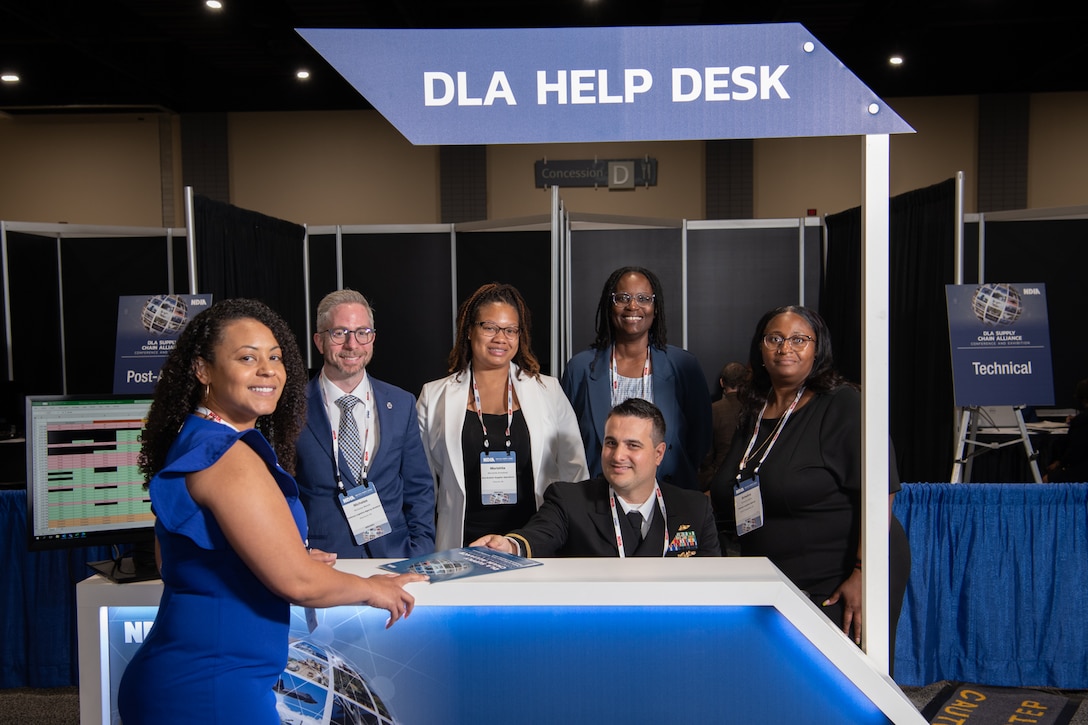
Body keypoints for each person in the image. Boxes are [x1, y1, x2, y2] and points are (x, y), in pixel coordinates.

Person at [117, 298, 425, 725]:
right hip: (212, 687)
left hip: (200, 676)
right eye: (247, 358)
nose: (268, 370)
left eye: (275, 357)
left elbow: (174, 558)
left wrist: (276, 553)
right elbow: (298, 583)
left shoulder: (200, 437)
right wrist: (374, 588)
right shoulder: (228, 456)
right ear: (203, 370)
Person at [709, 305, 909, 648]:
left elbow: (880, 493)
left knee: (844, 690)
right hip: (777, 581)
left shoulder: (844, 404)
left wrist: (864, 574)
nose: (785, 348)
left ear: (818, 349)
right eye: (775, 338)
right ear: (760, 348)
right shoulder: (754, 410)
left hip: (838, 578)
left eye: (799, 339)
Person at [417, 282, 589, 549]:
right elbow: (423, 484)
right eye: (490, 327)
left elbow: (575, 472)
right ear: (469, 331)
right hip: (462, 545)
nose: (501, 338)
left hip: (534, 543)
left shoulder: (548, 390)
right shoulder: (433, 396)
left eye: (510, 330)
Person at [472, 398, 720, 557]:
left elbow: (715, 584)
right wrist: (510, 546)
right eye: (611, 443)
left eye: (632, 445)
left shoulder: (695, 508)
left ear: (658, 453)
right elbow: (539, 536)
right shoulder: (569, 500)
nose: (618, 455)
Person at [295, 290, 436, 558]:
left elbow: (419, 488)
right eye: (340, 333)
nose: (352, 344)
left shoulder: (401, 403)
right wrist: (298, 551)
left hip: (395, 558)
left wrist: (421, 549)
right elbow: (282, 492)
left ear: (372, 339)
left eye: (362, 332)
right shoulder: (293, 407)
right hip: (325, 562)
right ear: (319, 341)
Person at [562, 266, 712, 490]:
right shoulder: (580, 368)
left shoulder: (684, 365)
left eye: (643, 298)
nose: (633, 305)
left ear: (656, 307)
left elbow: (700, 439)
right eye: (622, 297)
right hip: (598, 499)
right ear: (609, 305)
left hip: (668, 496)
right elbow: (566, 442)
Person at [697, 361, 748, 490]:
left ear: (722, 382)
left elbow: (706, 453)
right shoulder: (755, 409)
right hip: (749, 479)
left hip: (717, 479)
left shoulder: (713, 410)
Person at [1044, 377, 1088, 482]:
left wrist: (1060, 463)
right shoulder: (1080, 420)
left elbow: (1075, 451)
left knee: (1046, 479)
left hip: (1082, 471)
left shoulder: (1081, 421)